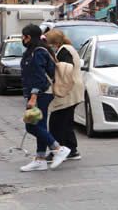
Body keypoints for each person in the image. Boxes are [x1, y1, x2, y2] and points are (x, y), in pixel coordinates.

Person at [19, 24, 70, 172]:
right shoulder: (33, 51)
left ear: (29, 37)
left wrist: (33, 96)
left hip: (41, 93)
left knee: (31, 125)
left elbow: (40, 77)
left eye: (24, 36)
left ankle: (58, 149)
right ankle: (40, 159)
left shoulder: (38, 52)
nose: (22, 39)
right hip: (38, 93)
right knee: (39, 126)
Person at [45, 29, 84, 161]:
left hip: (68, 90)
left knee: (57, 122)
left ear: (54, 42)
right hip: (74, 88)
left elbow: (66, 68)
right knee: (66, 121)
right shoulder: (68, 48)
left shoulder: (64, 50)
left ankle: (57, 150)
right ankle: (71, 150)